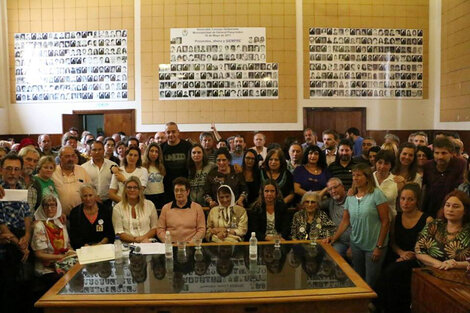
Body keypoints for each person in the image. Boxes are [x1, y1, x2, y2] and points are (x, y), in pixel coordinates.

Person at [325, 163, 390, 288]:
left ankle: (372, 305)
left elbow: (385, 221)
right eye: (354, 175)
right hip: (356, 245)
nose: (355, 178)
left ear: (367, 177)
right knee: (357, 279)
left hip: (373, 245)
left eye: (359, 175)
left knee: (371, 280)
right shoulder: (350, 198)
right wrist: (333, 238)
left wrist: (379, 246)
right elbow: (345, 221)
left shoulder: (377, 194)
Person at [375, 183, 432, 313]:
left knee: (392, 271)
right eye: (402, 198)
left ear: (417, 201)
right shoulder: (397, 217)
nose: (405, 203)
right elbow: (393, 242)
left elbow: (428, 248)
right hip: (399, 254)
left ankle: (377, 304)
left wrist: (410, 255)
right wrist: (401, 253)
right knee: (383, 266)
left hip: (417, 258)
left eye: (410, 199)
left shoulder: (427, 219)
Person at [416, 190, 470, 269]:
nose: (450, 209)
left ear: (465, 210)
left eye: (455, 206)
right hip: (431, 270)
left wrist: (456, 265)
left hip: (459, 275)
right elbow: (419, 251)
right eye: (447, 205)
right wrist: (440, 264)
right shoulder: (434, 225)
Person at [31, 195, 74, 288]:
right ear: (42, 208)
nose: (50, 209)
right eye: (46, 205)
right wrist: (62, 257)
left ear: (57, 207)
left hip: (63, 264)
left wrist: (72, 253)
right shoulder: (39, 225)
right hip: (47, 269)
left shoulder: (60, 223)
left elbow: (68, 245)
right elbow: (38, 254)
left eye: (53, 205)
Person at [422, 137, 466, 217]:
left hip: (452, 209)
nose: (440, 157)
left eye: (444, 153)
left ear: (452, 153)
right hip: (430, 208)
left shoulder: (460, 164)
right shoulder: (427, 166)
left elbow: (460, 190)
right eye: (437, 153)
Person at [157, 177, 206, 243]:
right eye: (176, 190)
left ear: (188, 192)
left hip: (191, 245)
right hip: (171, 245)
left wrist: (191, 243)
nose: (179, 193)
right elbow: (160, 230)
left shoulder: (197, 208)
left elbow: (201, 230)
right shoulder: (166, 208)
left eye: (181, 190)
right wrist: (169, 242)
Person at [112, 176, 158, 243]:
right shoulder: (117, 208)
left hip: (148, 241)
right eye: (129, 187)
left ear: (140, 190)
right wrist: (136, 240)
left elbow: (155, 228)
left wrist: (143, 238)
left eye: (135, 187)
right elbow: (119, 232)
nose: (132, 190)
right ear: (125, 190)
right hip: (127, 244)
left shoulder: (150, 205)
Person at [69, 184, 115, 249]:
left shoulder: (105, 210)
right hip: (83, 249)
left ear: (95, 196)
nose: (88, 198)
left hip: (103, 247)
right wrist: (86, 247)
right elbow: (74, 236)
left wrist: (100, 244)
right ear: (81, 198)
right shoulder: (75, 213)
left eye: (90, 195)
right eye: (85, 196)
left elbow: (110, 233)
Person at [51, 146, 91, 216]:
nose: (71, 159)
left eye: (73, 156)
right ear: (60, 157)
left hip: (80, 215)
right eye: (67, 156)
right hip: (59, 216)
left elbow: (90, 189)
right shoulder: (53, 172)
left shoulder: (82, 170)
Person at [81, 140, 117, 211]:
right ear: (90, 152)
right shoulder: (83, 168)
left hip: (109, 202)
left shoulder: (113, 165)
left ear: (104, 150)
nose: (97, 152)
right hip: (90, 202)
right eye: (94, 150)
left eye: (100, 149)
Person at [320, 177, 351, 259]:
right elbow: (315, 202)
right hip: (339, 241)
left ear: (342, 187)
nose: (333, 191)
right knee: (330, 255)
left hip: (354, 242)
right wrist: (324, 190)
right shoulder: (331, 201)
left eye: (335, 187)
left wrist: (353, 246)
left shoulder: (351, 199)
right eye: (330, 189)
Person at [161, 122, 192, 202]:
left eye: (173, 132)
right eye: (168, 132)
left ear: (178, 132)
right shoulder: (161, 148)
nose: (171, 134)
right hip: (167, 186)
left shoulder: (187, 146)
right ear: (165, 133)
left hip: (184, 185)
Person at [373, 150, 398, 220]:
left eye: (386, 163)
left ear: (391, 165)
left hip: (389, 221)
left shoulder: (396, 181)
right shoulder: (368, 178)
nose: (382, 166)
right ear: (375, 163)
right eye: (379, 162)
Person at [142, 143, 166, 210]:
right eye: (151, 151)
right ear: (147, 152)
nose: (154, 153)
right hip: (147, 196)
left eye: (156, 152)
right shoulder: (143, 166)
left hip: (160, 195)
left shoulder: (161, 167)